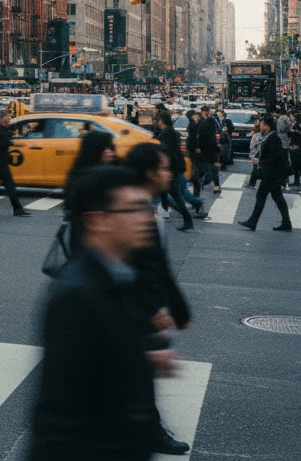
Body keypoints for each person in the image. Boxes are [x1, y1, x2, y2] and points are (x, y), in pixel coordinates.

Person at [29, 166, 172, 461]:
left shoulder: (119, 273)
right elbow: (57, 418)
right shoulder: (77, 296)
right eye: (133, 210)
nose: (147, 218)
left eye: (147, 207)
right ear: (98, 221)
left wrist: (143, 353)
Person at [120, 143, 193, 456]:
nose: (169, 173)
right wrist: (162, 308)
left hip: (133, 307)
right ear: (149, 172)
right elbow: (150, 266)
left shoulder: (143, 204)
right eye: (163, 167)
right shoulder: (135, 209)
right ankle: (148, 431)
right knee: (138, 373)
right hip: (131, 309)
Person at [238, 117, 294, 232]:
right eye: (261, 125)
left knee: (261, 196)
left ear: (269, 126)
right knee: (277, 197)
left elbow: (275, 157)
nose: (261, 128)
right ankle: (286, 222)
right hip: (271, 172)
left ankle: (253, 221)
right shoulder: (270, 137)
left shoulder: (273, 138)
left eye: (264, 125)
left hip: (271, 172)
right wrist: (258, 157)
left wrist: (260, 161)